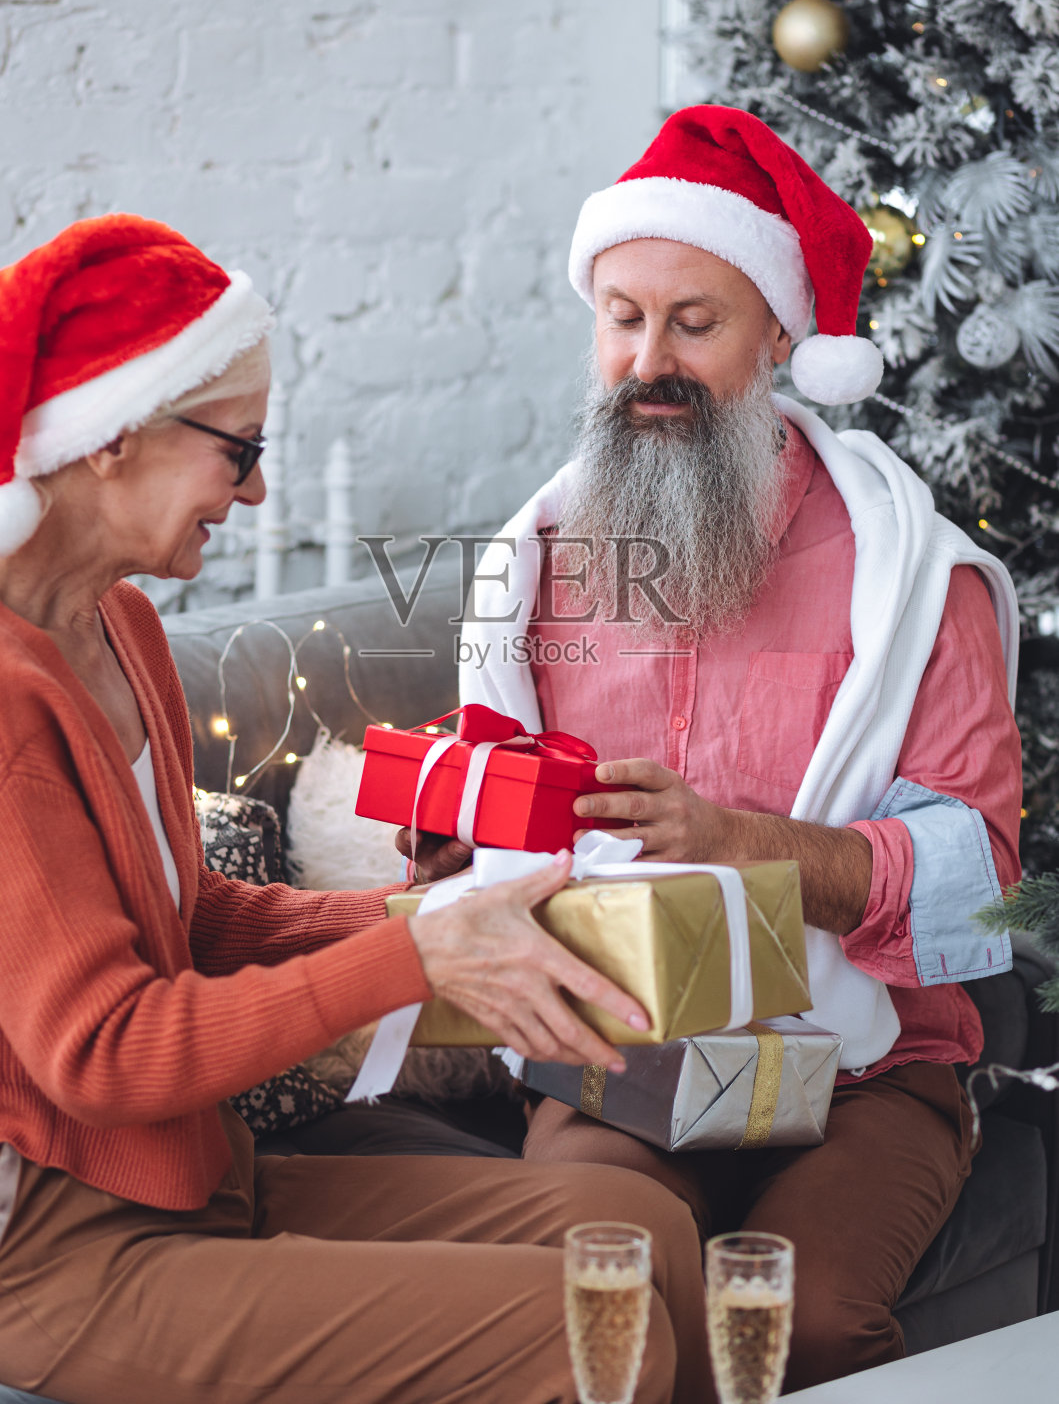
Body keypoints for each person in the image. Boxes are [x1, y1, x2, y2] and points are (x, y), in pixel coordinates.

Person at [0, 214, 708, 1404]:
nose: (260, 483)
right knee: (575, 1323)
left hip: (194, 1175)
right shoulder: (4, 706)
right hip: (52, 1245)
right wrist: (415, 956)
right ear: (111, 437)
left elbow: (195, 916)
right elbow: (106, 1054)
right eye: (239, 445)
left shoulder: (121, 627)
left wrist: (447, 913)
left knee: (631, 1228)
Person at [435, 106, 1022, 1396]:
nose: (648, 360)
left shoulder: (913, 582)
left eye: (693, 322)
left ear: (778, 340)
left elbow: (979, 889)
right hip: (623, 1058)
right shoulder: (534, 565)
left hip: (873, 1066)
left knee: (801, 1327)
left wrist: (734, 841)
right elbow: (489, 836)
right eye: (621, 318)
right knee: (601, 1300)